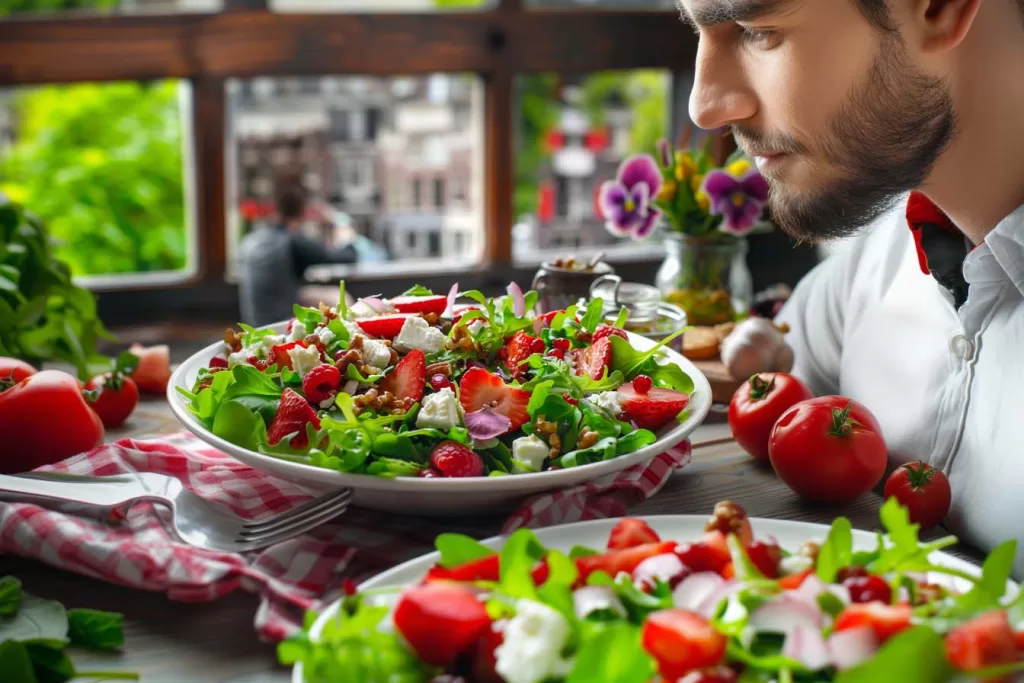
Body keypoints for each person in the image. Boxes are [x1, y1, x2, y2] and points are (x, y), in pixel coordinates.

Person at [680, 0, 1024, 576]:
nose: (705, 105)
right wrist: (761, 355)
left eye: (755, 30)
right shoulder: (872, 258)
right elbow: (775, 370)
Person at [237, 173, 358, 327]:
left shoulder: (251, 240)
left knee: (313, 295)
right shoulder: (293, 242)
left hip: (255, 322)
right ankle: (351, 339)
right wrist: (344, 232)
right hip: (281, 323)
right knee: (338, 297)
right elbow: (347, 256)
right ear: (303, 210)